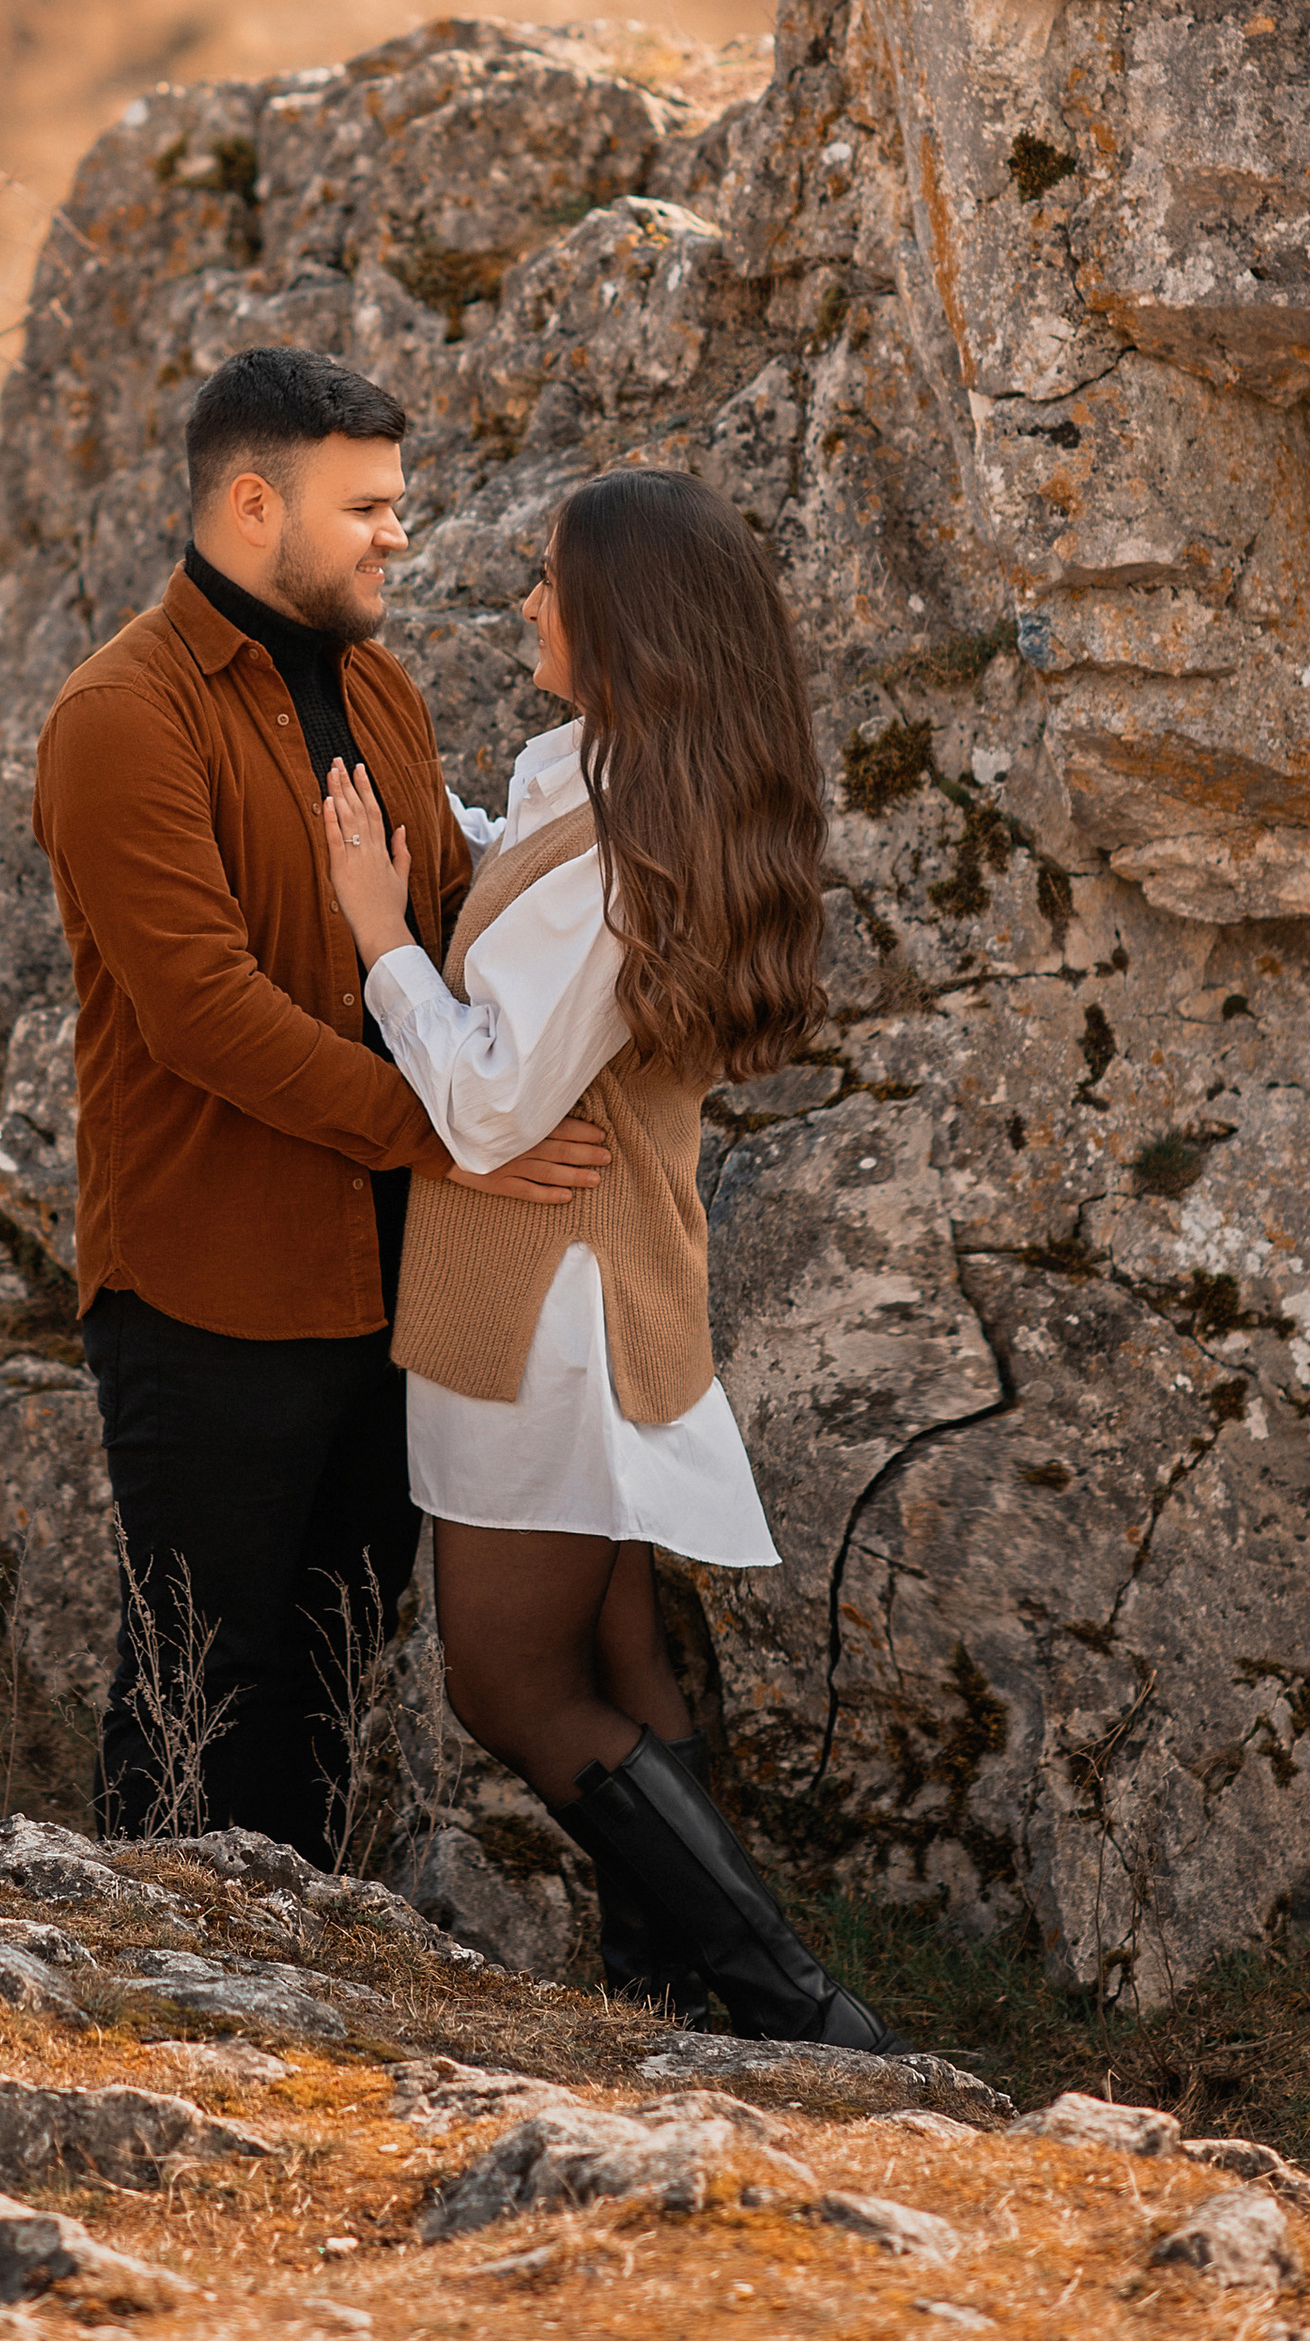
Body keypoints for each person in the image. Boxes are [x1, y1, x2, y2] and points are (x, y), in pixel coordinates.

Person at [321, 462, 895, 2050]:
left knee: (505, 1687)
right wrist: (430, 811)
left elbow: (498, 1100)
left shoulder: (629, 849)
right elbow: (526, 871)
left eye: (549, 583)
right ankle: (671, 2010)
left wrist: (379, 931)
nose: (523, 604)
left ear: (623, 620)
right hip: (606, 1282)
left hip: (544, 1307)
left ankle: (793, 2009)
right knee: (623, 1649)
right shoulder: (609, 781)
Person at [33, 343, 609, 1862]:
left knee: (329, 1679)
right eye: (365, 508)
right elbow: (206, 1016)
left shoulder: (383, 690)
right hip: (212, 1291)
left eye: (397, 505)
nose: (398, 538)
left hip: (393, 1290)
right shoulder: (121, 717)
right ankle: (141, 2016)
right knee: (198, 1688)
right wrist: (463, 1133)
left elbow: (451, 923)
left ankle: (292, 2015)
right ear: (248, 504)